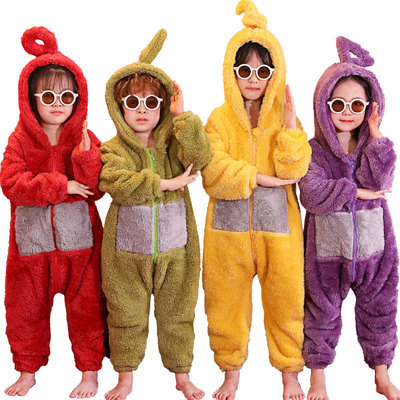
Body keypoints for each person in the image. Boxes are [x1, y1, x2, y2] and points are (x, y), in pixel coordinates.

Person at [201, 1, 311, 399]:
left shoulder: (285, 118)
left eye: (262, 71)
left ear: (274, 74)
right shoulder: (217, 119)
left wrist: (290, 129)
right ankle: (230, 372)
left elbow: (294, 170)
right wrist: (258, 178)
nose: (253, 79)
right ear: (231, 72)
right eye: (244, 70)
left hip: (279, 230)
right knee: (224, 304)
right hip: (226, 233)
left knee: (287, 301)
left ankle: (290, 372)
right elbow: (213, 172)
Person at [99, 29, 211, 400]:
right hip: (126, 254)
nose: (142, 109)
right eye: (132, 102)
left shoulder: (174, 144)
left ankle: (182, 377)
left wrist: (183, 117)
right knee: (125, 313)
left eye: (152, 101)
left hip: (177, 249)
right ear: (118, 107)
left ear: (162, 105)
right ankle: (125, 378)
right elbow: (114, 182)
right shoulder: (113, 149)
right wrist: (166, 184)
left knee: (178, 314)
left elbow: (201, 157)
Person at [0, 27, 108, 398]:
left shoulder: (84, 136)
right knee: (25, 310)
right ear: (31, 99)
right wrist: (61, 186)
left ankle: (90, 373)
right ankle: (27, 370)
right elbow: (11, 183)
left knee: (88, 309)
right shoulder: (19, 139)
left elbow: (98, 187)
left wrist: (85, 156)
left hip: (81, 245)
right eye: (48, 96)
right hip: (31, 247)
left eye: (66, 96)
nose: (58, 104)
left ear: (79, 97)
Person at [299, 36, 399, 400]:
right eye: (338, 103)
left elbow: (381, 182)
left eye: (357, 104)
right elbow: (311, 194)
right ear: (323, 105)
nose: (347, 111)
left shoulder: (374, 147)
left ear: (370, 107)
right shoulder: (313, 151)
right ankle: (318, 377)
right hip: (326, 252)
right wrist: (356, 192)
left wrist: (377, 136)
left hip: (376, 248)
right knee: (320, 313)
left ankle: (382, 375)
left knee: (381, 310)